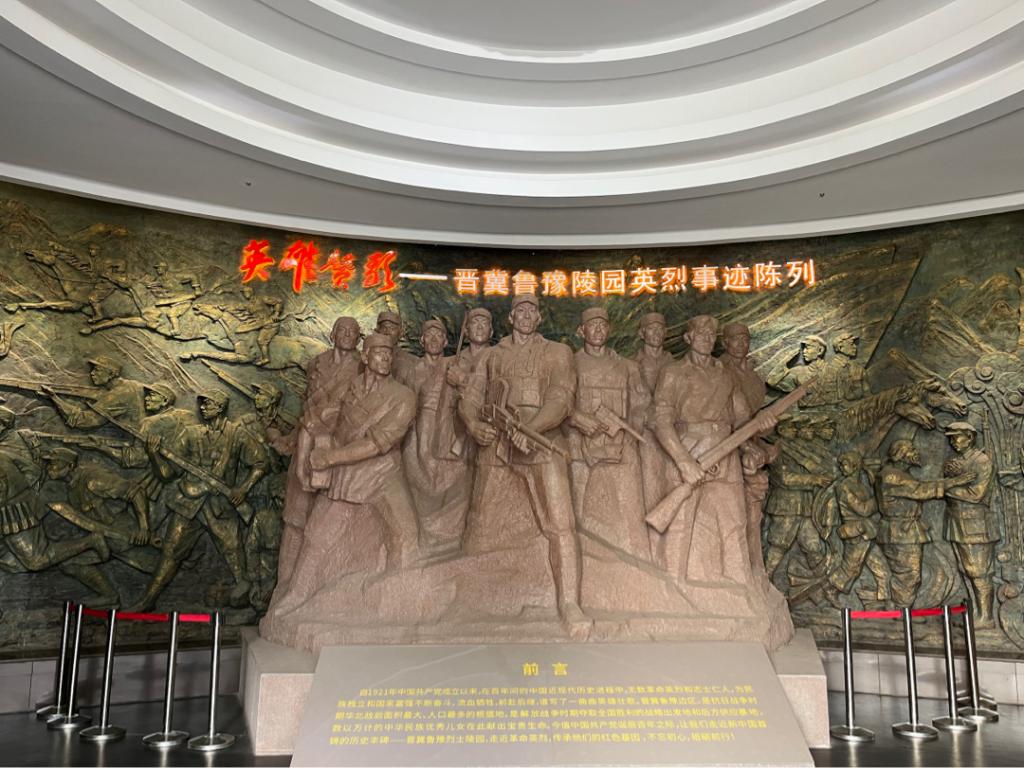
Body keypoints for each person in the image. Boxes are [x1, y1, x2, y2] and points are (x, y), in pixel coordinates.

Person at [461, 294, 589, 636]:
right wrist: (473, 424)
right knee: (479, 526)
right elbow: (471, 396)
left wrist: (531, 430)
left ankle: (569, 604)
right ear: (511, 317)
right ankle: (475, 603)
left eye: (533, 310)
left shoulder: (557, 352)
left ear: (540, 318)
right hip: (499, 444)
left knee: (561, 524)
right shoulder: (492, 355)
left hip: (542, 440)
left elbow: (561, 398)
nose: (527, 315)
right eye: (521, 310)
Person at [270, 333, 420, 614]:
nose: (386, 358)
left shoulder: (403, 396)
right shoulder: (350, 388)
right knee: (316, 537)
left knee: (405, 533)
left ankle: (399, 601)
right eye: (379, 352)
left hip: (383, 475)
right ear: (365, 357)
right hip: (346, 476)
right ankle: (297, 594)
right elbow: (315, 421)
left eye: (389, 353)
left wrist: (330, 458)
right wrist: (303, 461)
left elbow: (377, 444)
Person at [652, 315, 775, 587]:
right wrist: (683, 462)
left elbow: (741, 420)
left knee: (734, 521)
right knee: (680, 524)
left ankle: (741, 586)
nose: (707, 339)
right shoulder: (673, 372)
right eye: (701, 333)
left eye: (711, 335)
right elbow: (661, 421)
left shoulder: (725, 375)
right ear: (689, 337)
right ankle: (673, 587)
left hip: (725, 455)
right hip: (689, 452)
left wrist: (756, 433)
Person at [127, 391, 268, 611]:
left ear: (220, 407)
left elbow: (261, 462)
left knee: (235, 554)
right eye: (201, 404)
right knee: (170, 554)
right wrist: (153, 454)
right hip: (188, 503)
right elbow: (167, 474)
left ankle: (255, 605)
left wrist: (243, 488)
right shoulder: (190, 434)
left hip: (220, 506)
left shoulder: (237, 434)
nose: (202, 407)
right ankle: (148, 601)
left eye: (207, 404)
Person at [566, 307, 650, 560]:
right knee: (578, 509)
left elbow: (642, 404)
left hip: (620, 447)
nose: (599, 330)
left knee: (627, 509)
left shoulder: (627, 367)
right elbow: (558, 402)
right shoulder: (568, 364)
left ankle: (633, 563)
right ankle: (580, 561)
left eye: (603, 325)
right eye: (593, 325)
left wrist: (628, 429)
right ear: (581, 331)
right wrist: (577, 419)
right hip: (580, 448)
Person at [876, 438, 973, 608]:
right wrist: (954, 482)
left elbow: (920, 485)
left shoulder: (899, 474)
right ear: (900, 455)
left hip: (904, 531)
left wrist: (947, 482)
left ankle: (901, 610)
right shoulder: (891, 476)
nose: (916, 453)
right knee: (909, 575)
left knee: (909, 574)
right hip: (899, 532)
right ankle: (901, 612)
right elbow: (919, 490)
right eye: (911, 450)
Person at [403, 319, 471, 556]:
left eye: (438, 335)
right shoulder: (414, 370)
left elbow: (468, 392)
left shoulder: (454, 364)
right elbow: (406, 402)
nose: (433, 339)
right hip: (420, 425)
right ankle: (424, 532)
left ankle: (449, 532)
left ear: (446, 341)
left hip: (449, 424)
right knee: (419, 472)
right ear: (422, 341)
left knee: (453, 473)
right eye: (429, 335)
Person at [942, 422, 998, 627]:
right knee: (965, 569)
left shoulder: (981, 461)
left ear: (970, 437)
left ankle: (986, 617)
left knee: (979, 572)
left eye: (956, 437)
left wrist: (945, 487)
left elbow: (976, 494)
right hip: (957, 523)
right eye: (950, 438)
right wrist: (951, 479)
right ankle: (976, 614)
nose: (953, 442)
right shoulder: (955, 462)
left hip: (976, 526)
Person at [632, 312, 674, 524]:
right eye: (651, 329)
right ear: (642, 333)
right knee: (650, 484)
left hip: (673, 433)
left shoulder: (675, 364)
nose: (656, 333)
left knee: (672, 481)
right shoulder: (632, 364)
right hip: (646, 435)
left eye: (660, 329)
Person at [45, 356, 146, 431]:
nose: (92, 373)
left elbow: (84, 421)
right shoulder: (133, 384)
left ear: (112, 374)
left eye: (97, 370)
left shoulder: (119, 394)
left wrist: (53, 397)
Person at [374, 310, 417, 384]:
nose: (387, 332)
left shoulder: (413, 362)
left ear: (401, 333)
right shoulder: (367, 361)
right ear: (377, 332)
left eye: (392, 328)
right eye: (384, 327)